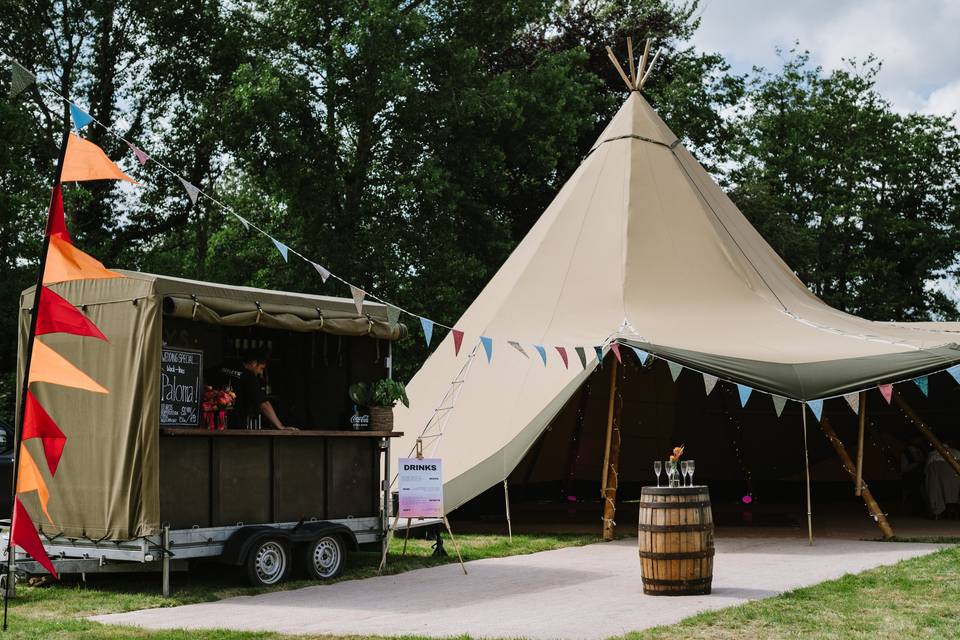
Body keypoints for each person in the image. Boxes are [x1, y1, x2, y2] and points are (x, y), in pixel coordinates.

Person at [235, 349, 297, 431]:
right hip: (235, 425)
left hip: (215, 424)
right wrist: (280, 426)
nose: (261, 372)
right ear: (254, 363)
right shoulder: (249, 376)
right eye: (261, 368)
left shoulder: (225, 367)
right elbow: (263, 404)